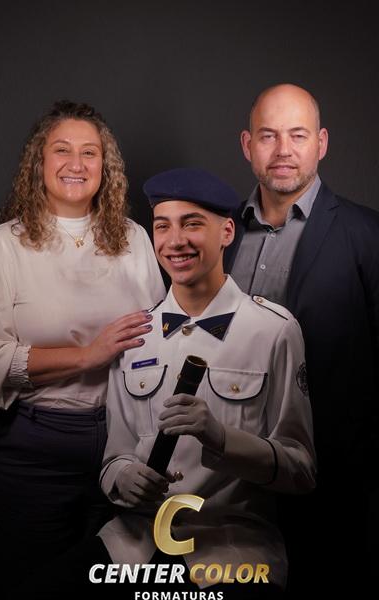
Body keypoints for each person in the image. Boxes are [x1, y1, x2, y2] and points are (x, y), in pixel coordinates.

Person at [14, 168, 316, 599]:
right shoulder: (135, 336)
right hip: (133, 546)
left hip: (229, 548)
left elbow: (301, 470)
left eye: (192, 224)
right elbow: (115, 457)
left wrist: (221, 439)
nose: (175, 241)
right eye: (162, 226)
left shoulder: (274, 331)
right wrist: (123, 477)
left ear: (227, 232)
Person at [0, 100, 166, 598]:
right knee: (28, 589)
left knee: (109, 588)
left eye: (90, 152)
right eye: (62, 150)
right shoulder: (2, 245)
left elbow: (157, 342)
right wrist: (86, 356)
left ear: (106, 167)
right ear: (38, 162)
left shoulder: (135, 239)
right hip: (31, 451)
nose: (76, 164)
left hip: (122, 449)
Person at [226, 83, 379, 594]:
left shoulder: (368, 235)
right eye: (268, 135)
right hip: (230, 478)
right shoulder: (219, 234)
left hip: (333, 484)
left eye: (298, 135)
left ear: (322, 143)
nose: (283, 150)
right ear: (248, 145)